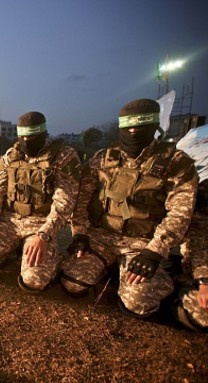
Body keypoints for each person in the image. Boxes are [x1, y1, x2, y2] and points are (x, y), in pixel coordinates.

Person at [60, 99, 199, 319]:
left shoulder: (176, 163)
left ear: (154, 127)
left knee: (138, 303)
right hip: (102, 237)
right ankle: (112, 270)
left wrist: (155, 251)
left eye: (140, 128)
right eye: (128, 128)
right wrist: (80, 234)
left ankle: (166, 281)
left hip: (143, 243)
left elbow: (180, 212)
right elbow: (81, 202)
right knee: (72, 283)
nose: (133, 132)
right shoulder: (102, 160)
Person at [0, 111, 80, 292]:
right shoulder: (12, 156)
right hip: (10, 221)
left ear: (43, 134)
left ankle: (53, 258)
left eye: (31, 137)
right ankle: (13, 251)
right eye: (22, 137)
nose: (26, 141)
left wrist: (44, 236)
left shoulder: (63, 156)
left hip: (40, 225)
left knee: (34, 280)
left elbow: (64, 201)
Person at [173, 179, 208, 331]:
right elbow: (198, 245)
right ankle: (174, 299)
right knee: (203, 315)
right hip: (197, 270)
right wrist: (204, 282)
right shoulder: (203, 195)